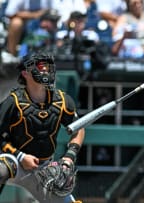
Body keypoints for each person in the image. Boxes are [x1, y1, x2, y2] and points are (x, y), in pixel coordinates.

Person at [0, 52, 85, 203]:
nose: (45, 70)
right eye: (40, 66)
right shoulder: (13, 102)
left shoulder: (62, 100)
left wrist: (69, 157)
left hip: (44, 167)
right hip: (15, 160)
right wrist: (20, 156)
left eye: (47, 66)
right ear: (25, 73)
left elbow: (78, 129)